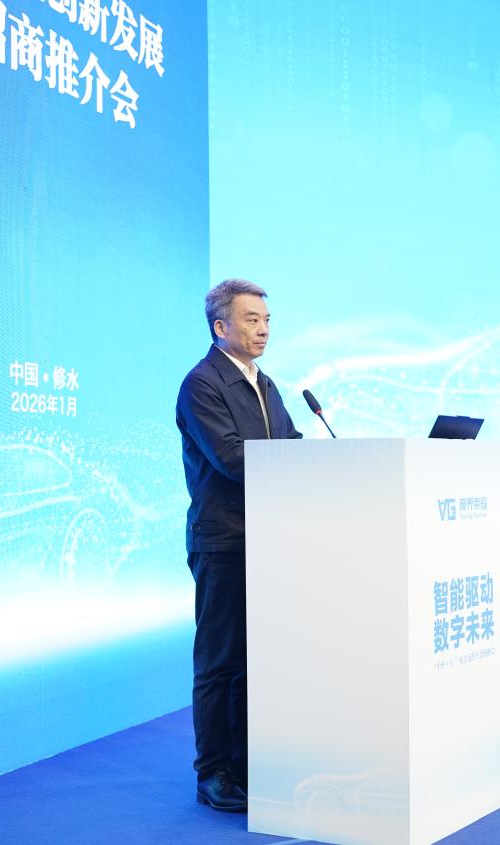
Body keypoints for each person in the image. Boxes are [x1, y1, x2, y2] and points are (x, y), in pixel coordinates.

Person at [175, 279, 302, 812]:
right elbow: (231, 459)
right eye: (252, 319)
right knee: (220, 661)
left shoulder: (265, 384)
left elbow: (291, 446)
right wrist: (291, 464)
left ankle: (248, 764)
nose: (263, 329)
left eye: (267, 320)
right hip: (224, 540)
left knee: (257, 659)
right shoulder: (202, 384)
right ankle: (214, 773)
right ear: (220, 326)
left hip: (268, 539)